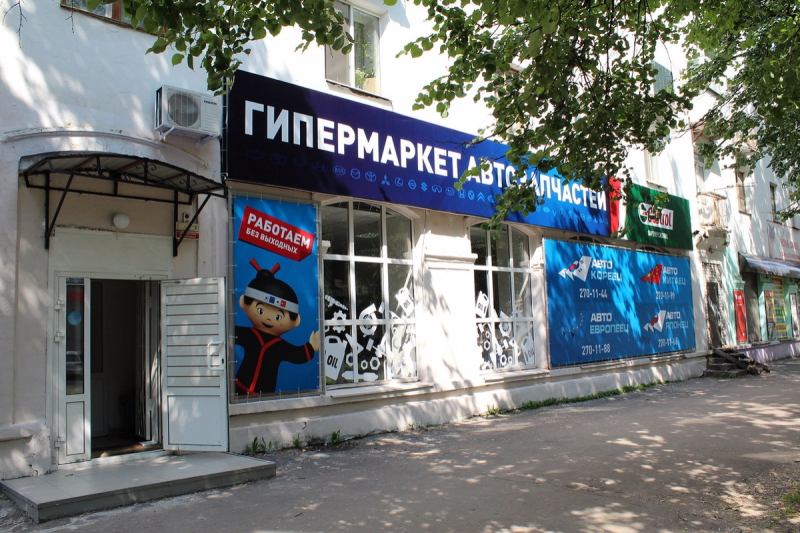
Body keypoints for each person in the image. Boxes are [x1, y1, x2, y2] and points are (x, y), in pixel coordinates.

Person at [235, 258, 320, 394]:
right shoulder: (249, 335)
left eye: (278, 317)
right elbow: (230, 334)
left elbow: (295, 354)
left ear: (295, 321)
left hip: (265, 393)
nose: (269, 318)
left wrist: (311, 347)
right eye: (261, 310)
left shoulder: (279, 346)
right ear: (243, 303)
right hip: (240, 387)